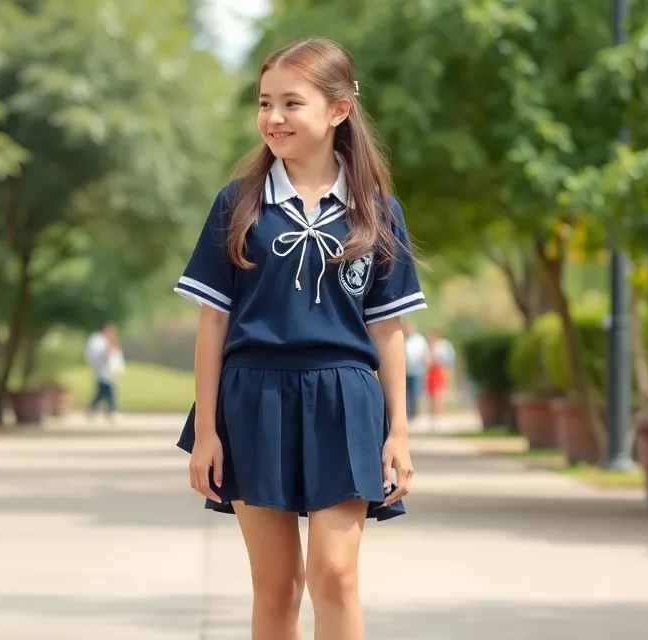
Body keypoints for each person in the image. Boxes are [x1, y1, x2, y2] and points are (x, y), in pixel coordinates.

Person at [173, 37, 426, 640]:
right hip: (252, 401)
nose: (274, 118)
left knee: (334, 577)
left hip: (345, 404)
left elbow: (387, 327)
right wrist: (207, 430)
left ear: (339, 110)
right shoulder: (236, 205)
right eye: (265, 103)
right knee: (277, 588)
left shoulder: (375, 211)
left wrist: (400, 432)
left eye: (291, 103)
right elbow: (213, 323)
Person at [83, 323, 124, 425]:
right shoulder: (97, 341)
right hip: (102, 371)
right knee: (108, 391)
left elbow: (116, 357)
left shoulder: (109, 341)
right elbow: (99, 355)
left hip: (109, 372)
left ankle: (92, 409)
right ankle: (112, 411)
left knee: (101, 393)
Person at [425, 330, 455, 428]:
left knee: (439, 393)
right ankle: (433, 416)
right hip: (431, 371)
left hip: (440, 370)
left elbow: (448, 360)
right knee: (432, 394)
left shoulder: (444, 345)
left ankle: (439, 416)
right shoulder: (429, 346)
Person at [402, 321, 429, 423]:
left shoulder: (419, 339)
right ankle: (408, 414)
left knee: (415, 393)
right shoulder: (404, 339)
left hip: (417, 370)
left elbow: (425, 353)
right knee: (406, 393)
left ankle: (414, 414)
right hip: (406, 371)